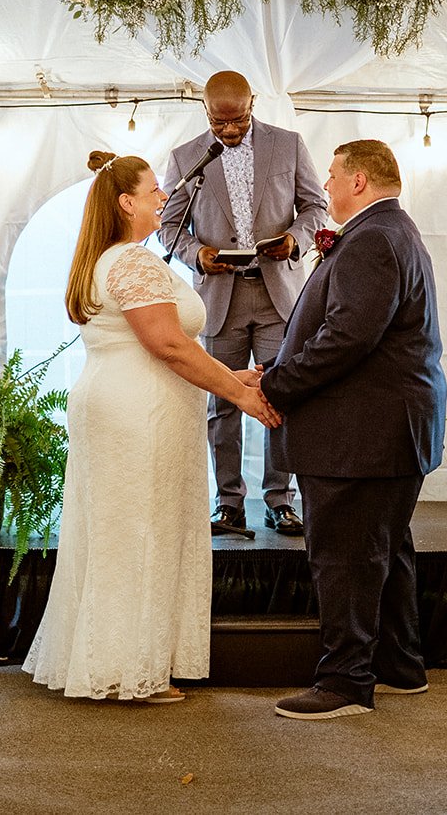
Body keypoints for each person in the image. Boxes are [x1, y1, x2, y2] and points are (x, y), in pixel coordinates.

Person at [23, 151, 280, 703]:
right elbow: (167, 344)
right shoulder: (134, 262)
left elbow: (152, 344)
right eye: (154, 190)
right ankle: (128, 670)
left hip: (120, 398)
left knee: (119, 531)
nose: (164, 198)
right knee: (141, 532)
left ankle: (112, 659)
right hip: (140, 413)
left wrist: (232, 372)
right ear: (127, 202)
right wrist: (240, 394)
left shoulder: (105, 259)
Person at [259, 139, 446, 720]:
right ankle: (398, 665)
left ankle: (345, 683)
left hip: (360, 435)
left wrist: (275, 386)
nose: (327, 188)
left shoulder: (371, 240)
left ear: (359, 180)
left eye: (334, 176)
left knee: (343, 556)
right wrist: (277, 369)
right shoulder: (392, 232)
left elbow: (347, 337)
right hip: (383, 430)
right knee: (384, 549)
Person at [159, 71, 327, 537]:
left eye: (238, 120)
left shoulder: (288, 145)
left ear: (253, 103)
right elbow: (168, 226)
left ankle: (279, 500)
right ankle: (228, 503)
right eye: (219, 122)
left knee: (280, 394)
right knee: (222, 403)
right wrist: (199, 255)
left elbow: (316, 205)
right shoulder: (186, 158)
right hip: (220, 297)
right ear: (205, 110)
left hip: (278, 296)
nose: (229, 131)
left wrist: (293, 240)